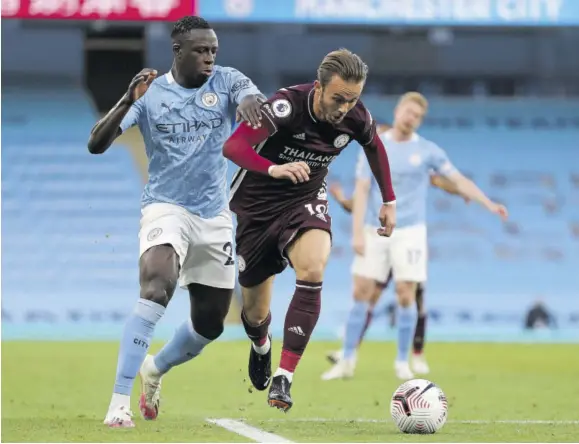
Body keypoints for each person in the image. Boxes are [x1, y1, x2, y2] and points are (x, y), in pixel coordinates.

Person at [87, 16, 265, 428]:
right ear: (178, 51)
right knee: (156, 287)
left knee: (211, 322)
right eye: (201, 51)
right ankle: (118, 402)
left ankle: (156, 367)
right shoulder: (150, 95)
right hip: (165, 207)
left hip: (215, 216)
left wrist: (248, 102)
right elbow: (96, 144)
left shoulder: (225, 80)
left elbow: (246, 95)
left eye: (213, 51)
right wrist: (127, 100)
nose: (209, 58)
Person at [222, 48, 396, 411]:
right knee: (254, 313)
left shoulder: (356, 117)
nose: (345, 107)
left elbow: (375, 148)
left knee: (314, 265)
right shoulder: (286, 106)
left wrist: (388, 200)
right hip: (256, 209)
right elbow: (234, 146)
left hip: (305, 199)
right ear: (318, 88)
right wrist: (274, 169)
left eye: (353, 99)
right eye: (338, 98)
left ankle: (284, 377)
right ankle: (261, 345)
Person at [322, 92, 508, 381]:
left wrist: (488, 202)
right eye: (408, 111)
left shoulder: (428, 151)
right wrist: (357, 232)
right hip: (374, 229)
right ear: (398, 111)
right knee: (360, 292)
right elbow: (361, 190)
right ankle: (347, 360)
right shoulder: (374, 145)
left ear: (420, 120)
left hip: (410, 231)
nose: (411, 118)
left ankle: (401, 362)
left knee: (406, 293)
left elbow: (457, 179)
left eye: (417, 115)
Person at [322, 162, 468, 376]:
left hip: (408, 242)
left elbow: (437, 180)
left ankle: (416, 355)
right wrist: (341, 198)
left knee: (415, 298)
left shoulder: (411, 168)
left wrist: (461, 190)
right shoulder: (371, 178)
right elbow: (355, 206)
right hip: (380, 243)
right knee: (369, 299)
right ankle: (349, 355)